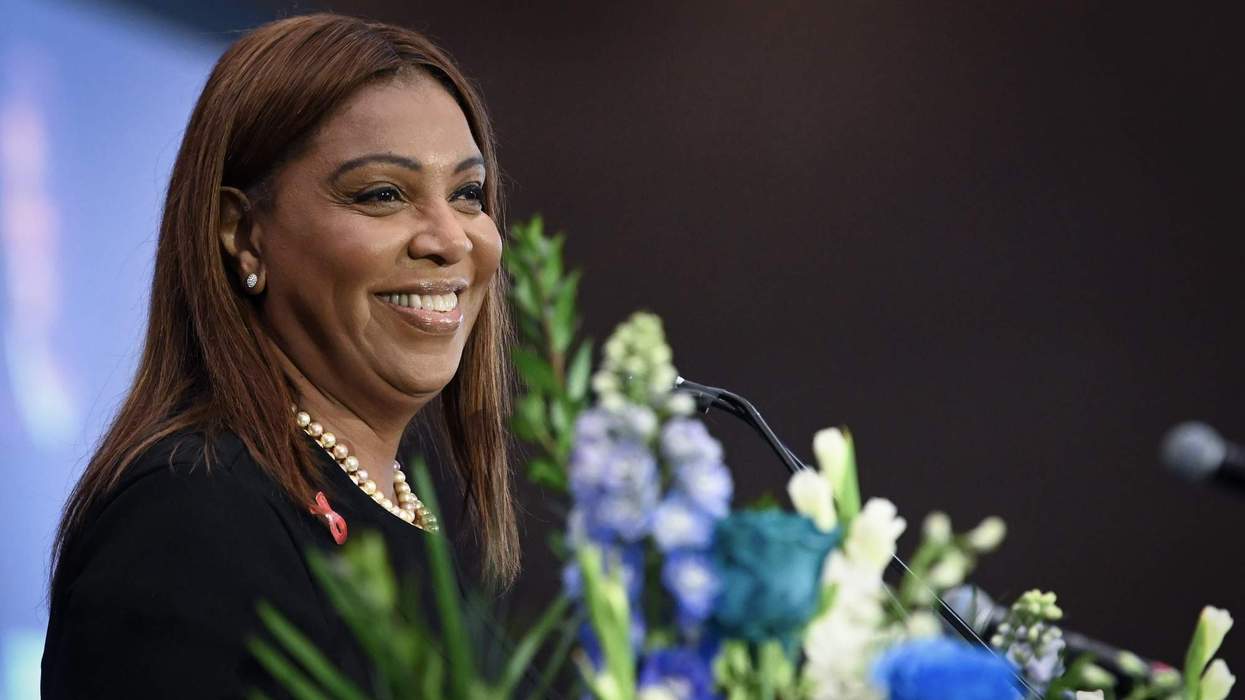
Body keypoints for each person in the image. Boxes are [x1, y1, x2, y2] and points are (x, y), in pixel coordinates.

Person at [41, 13, 518, 697]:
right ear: (243, 235)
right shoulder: (189, 519)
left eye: (467, 194)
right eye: (382, 194)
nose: (448, 239)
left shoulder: (405, 516)